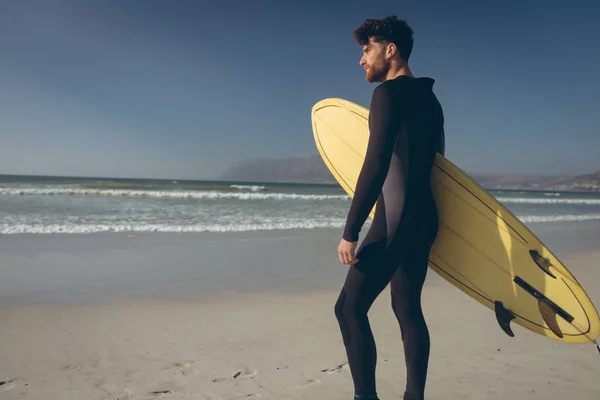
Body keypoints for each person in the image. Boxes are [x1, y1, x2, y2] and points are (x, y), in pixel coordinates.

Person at [333, 15, 446, 400]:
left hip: (395, 218)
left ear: (390, 49)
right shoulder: (431, 100)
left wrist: (351, 231)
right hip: (424, 219)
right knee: (407, 308)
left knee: (348, 309)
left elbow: (376, 162)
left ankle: (365, 397)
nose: (362, 60)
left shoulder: (387, 95)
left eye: (367, 50)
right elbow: (439, 165)